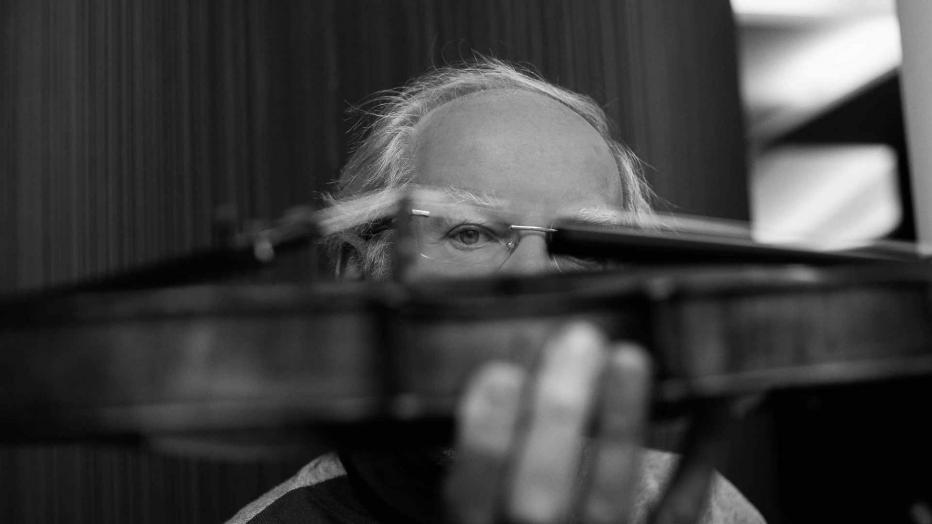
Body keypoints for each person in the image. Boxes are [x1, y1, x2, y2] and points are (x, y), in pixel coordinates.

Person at [228, 58, 765, 524]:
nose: (534, 279)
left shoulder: (709, 508)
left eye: (578, 244)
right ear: (359, 273)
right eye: (470, 233)